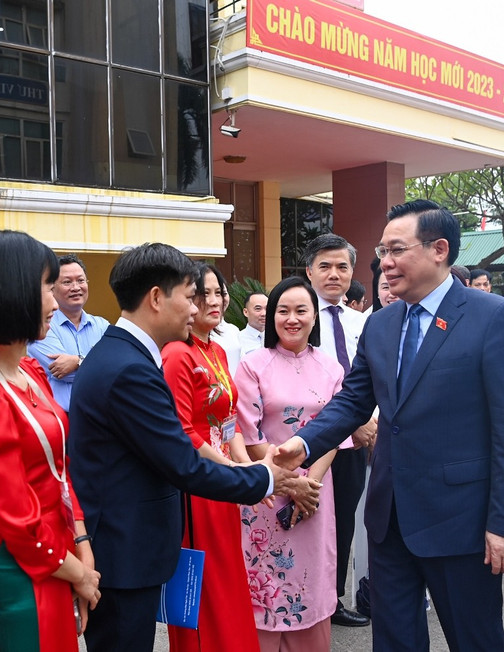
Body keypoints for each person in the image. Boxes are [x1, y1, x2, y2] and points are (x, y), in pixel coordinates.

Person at [276, 199, 504, 651]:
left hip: (461, 521)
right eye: (382, 250)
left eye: (396, 249)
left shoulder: (493, 317)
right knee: (395, 640)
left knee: (473, 639)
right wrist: (301, 445)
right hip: (390, 518)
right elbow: (353, 402)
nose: (385, 262)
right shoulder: (381, 324)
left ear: (439, 249)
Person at [68, 243, 297, 652]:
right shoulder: (129, 369)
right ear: (157, 298)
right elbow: (184, 462)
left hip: (129, 546)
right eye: (190, 296)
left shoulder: (125, 355)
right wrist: (263, 479)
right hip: (126, 552)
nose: (197, 308)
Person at [0, 230, 101, 651]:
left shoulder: (30, 373)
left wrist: (80, 543)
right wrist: (80, 574)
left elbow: (59, 470)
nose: (56, 302)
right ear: (9, 291)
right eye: (46, 286)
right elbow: (14, 517)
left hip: (55, 561)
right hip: (13, 577)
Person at [236, 276, 342, 651]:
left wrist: (308, 485)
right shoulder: (252, 365)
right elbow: (249, 437)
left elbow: (335, 430)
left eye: (301, 310)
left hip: (315, 491)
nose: (291, 318)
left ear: (315, 316)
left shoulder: (332, 369)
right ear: (271, 316)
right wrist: (289, 484)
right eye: (283, 310)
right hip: (266, 493)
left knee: (311, 579)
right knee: (264, 585)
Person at [161, 263, 259, 651]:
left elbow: (228, 421)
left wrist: (247, 469)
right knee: (203, 589)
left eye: (219, 292)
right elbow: (182, 431)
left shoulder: (217, 349)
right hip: (198, 484)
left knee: (229, 578)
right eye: (203, 294)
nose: (214, 301)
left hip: (222, 479)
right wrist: (234, 472)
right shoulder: (176, 354)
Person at [303, 233, 373, 628]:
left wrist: (370, 420)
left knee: (344, 519)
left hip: (356, 442)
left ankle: (333, 599)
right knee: (309, 517)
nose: (334, 274)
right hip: (313, 439)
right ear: (309, 271)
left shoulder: (362, 321)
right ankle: (304, 592)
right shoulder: (298, 315)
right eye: (325, 266)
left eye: (342, 266)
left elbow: (373, 377)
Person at [27, 254, 109, 411]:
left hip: (100, 417)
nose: (76, 287)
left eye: (80, 280)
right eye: (67, 282)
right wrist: (99, 365)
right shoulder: (43, 326)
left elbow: (115, 369)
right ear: (52, 287)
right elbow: (62, 373)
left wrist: (77, 361)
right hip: (62, 417)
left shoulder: (102, 326)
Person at [210, 276, 242, 375]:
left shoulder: (234, 330)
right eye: (207, 293)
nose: (218, 300)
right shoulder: (193, 333)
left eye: (222, 293)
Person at [239, 291, 268, 356]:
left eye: (267, 308)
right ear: (246, 312)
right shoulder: (238, 340)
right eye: (258, 309)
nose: (264, 313)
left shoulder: (277, 338)